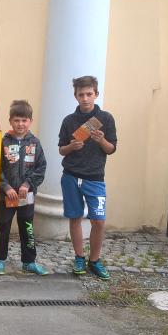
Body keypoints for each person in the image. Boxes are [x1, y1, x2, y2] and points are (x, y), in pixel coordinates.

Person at [58, 76, 117, 280]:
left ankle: (95, 260)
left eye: (89, 94)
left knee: (98, 221)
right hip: (71, 176)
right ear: (75, 96)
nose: (85, 98)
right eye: (81, 94)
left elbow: (111, 149)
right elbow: (61, 150)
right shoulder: (69, 120)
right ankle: (79, 257)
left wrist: (102, 141)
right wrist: (71, 147)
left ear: (96, 94)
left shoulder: (105, 118)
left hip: (95, 178)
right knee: (75, 217)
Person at [0, 100, 48, 276]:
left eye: (24, 120)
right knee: (3, 226)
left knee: (27, 227)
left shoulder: (35, 143)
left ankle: (29, 262)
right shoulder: (3, 143)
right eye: (17, 120)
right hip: (6, 196)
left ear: (30, 121)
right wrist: (5, 187)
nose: (20, 124)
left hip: (26, 196)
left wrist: (28, 184)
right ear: (10, 121)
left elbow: (41, 168)